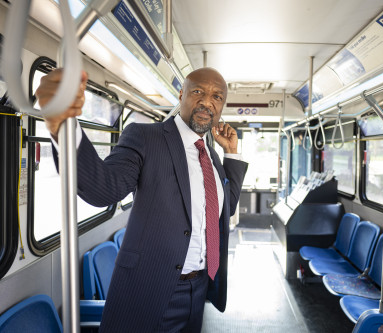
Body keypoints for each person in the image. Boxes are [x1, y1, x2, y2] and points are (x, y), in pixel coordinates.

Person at [36, 67, 248, 332]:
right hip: (150, 288)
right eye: (197, 92)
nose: (207, 101)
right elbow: (104, 189)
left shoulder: (212, 156)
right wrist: (63, 126)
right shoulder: (146, 137)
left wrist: (232, 154)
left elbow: (224, 210)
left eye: (217, 96)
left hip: (199, 289)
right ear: (181, 95)